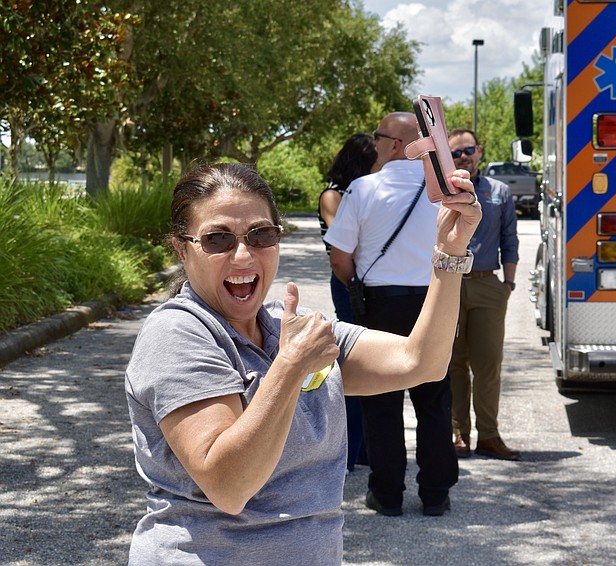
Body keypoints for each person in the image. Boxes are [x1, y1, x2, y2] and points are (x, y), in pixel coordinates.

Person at [124, 161, 480, 564]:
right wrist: (290, 367)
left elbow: (421, 363)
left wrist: (449, 252)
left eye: (261, 234)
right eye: (217, 239)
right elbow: (229, 486)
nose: (243, 255)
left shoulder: (291, 327)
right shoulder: (178, 333)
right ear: (181, 249)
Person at [324, 112, 460, 518]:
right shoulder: (441, 192)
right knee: (435, 399)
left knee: (381, 401)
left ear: (396, 145)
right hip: (431, 301)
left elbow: (340, 258)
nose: (375, 145)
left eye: (379, 137)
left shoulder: (363, 189)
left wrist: (357, 287)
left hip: (380, 303)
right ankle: (436, 493)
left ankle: (387, 494)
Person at [447, 128, 521, 461]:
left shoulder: (499, 192)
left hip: (488, 285)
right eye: (456, 153)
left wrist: (508, 285)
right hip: (450, 281)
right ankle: (458, 434)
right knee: (453, 363)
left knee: (488, 364)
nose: (464, 157)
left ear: (479, 151)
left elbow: (510, 239)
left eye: (469, 150)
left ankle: (489, 435)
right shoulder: (440, 192)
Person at [318, 133, 377, 472]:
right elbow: (344, 241)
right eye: (375, 162)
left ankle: (367, 446)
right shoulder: (334, 195)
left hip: (365, 281)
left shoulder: (362, 194)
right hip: (347, 283)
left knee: (369, 358)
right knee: (353, 358)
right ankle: (353, 448)